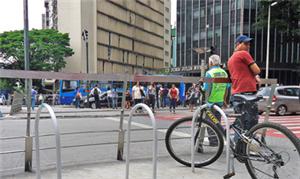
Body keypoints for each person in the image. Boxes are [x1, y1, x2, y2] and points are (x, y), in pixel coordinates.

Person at [228, 34, 261, 131]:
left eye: (249, 44)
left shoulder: (231, 59)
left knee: (240, 122)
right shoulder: (244, 54)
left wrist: (253, 75)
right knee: (252, 122)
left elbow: (241, 72)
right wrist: (255, 75)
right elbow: (257, 70)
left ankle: (239, 145)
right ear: (238, 44)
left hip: (236, 93)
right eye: (245, 43)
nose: (248, 46)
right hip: (247, 92)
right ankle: (247, 144)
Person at [201, 54, 229, 149]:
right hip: (220, 101)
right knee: (217, 121)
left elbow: (206, 89)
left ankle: (213, 141)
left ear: (211, 62)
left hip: (210, 102)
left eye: (209, 62)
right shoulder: (224, 73)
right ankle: (217, 138)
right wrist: (225, 100)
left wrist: (200, 86)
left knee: (210, 122)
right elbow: (226, 88)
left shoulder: (209, 73)